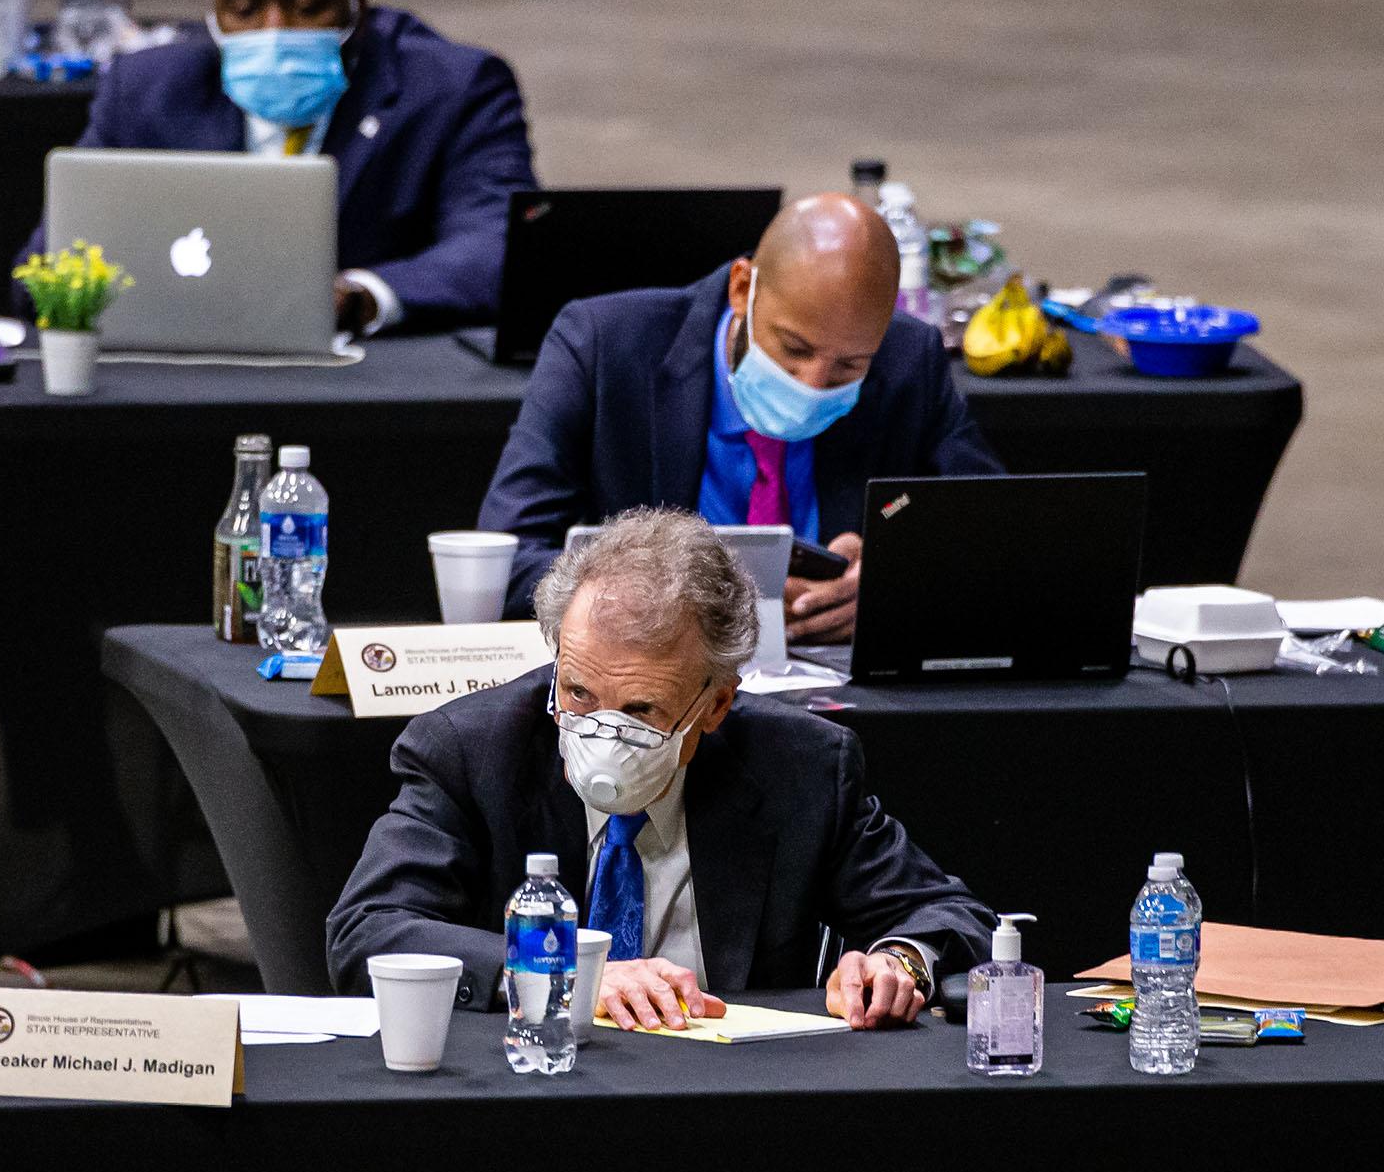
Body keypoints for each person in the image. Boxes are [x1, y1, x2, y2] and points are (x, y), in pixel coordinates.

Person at [327, 509, 994, 1029]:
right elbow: (368, 930)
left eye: (641, 708)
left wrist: (896, 963)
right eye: (579, 694)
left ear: (716, 704)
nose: (600, 728)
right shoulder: (471, 750)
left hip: (733, 1099)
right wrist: (560, 975)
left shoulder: (801, 765)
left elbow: (952, 914)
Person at [478, 191, 1001, 641]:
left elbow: (998, 536)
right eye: (793, 348)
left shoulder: (910, 360)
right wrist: (681, 601)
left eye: (849, 366)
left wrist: (891, 586)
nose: (812, 384)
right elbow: (505, 563)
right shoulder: (603, 346)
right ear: (742, 288)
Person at [19, 0, 537, 334]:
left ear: (358, 5)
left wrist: (363, 296)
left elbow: (497, 245)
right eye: (244, 9)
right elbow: (49, 265)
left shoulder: (455, 89)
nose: (275, 30)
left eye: (307, 6)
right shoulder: (146, 89)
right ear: (214, 12)